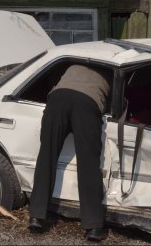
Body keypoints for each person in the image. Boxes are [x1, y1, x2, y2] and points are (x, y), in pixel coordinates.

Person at [28, 64, 111, 242]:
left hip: (57, 99)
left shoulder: (73, 64)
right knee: (88, 164)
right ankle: (94, 227)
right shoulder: (109, 70)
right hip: (88, 102)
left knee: (46, 157)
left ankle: (36, 216)